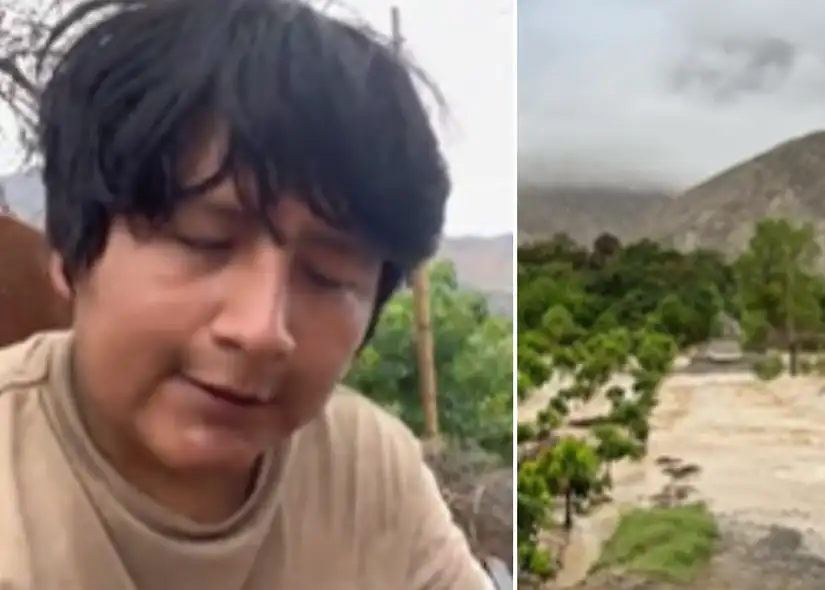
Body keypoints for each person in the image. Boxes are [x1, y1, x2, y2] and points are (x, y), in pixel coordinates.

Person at [0, 0, 498, 588]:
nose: (261, 329)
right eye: (203, 239)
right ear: (69, 246)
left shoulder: (369, 471)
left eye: (330, 275)